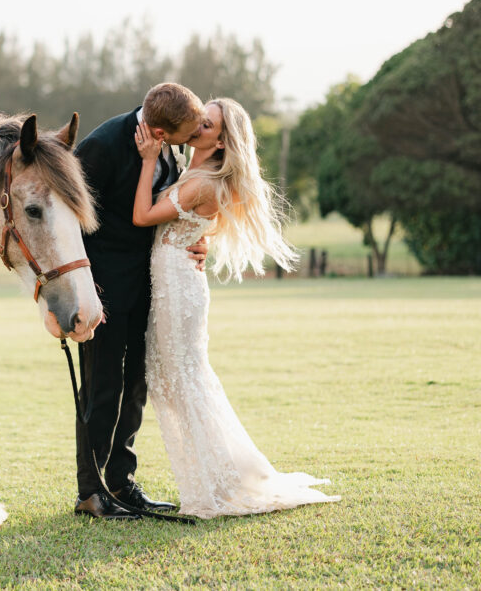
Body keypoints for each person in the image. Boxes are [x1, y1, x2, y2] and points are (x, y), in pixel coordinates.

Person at [131, 98, 340, 517]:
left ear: (222, 140)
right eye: (197, 119)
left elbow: (142, 216)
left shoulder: (203, 180)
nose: (195, 126)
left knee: (182, 380)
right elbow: (199, 222)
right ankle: (223, 472)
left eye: (205, 124)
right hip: (175, 280)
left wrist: (147, 159)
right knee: (179, 379)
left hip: (178, 284)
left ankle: (215, 483)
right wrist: (201, 237)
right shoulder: (192, 170)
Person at [72, 83, 209, 520]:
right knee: (102, 388)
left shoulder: (168, 146)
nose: (196, 138)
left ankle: (121, 483)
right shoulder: (102, 145)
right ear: (161, 132)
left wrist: (196, 241)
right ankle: (91, 493)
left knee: (135, 386)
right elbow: (67, 218)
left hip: (151, 285)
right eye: (189, 134)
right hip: (104, 290)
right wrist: (81, 289)